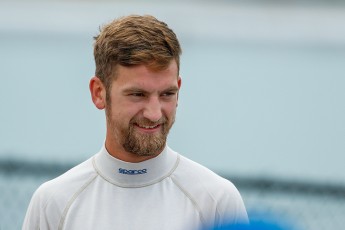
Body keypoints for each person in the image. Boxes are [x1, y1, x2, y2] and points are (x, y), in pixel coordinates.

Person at [22, 15, 248, 230]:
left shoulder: (217, 201)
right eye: (137, 94)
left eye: (167, 94)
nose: (154, 113)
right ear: (99, 93)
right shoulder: (53, 202)